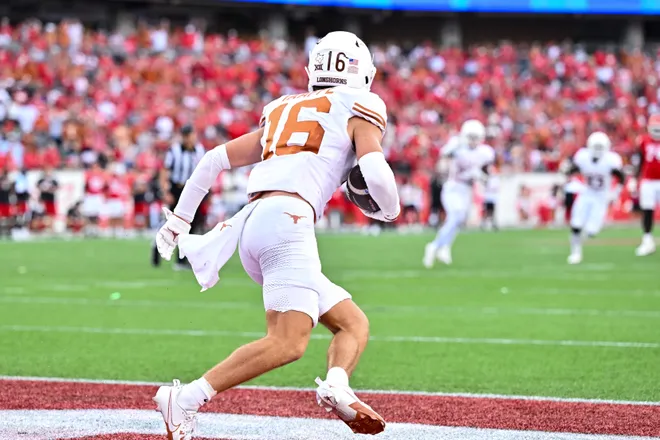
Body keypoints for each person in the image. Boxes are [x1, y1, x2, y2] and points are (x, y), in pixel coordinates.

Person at [153, 31, 400, 440]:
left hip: (254, 222)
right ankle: (187, 398)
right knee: (288, 343)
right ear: (364, 74)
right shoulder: (361, 104)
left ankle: (337, 385)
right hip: (288, 221)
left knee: (352, 323)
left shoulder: (283, 107)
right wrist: (390, 211)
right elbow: (374, 171)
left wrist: (178, 221)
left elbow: (213, 160)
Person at [423, 119, 495, 267]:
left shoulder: (485, 152)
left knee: (458, 219)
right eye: (471, 137)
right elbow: (443, 154)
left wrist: (482, 177)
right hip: (453, 187)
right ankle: (435, 246)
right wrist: (454, 145)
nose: (474, 141)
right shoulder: (457, 146)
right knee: (455, 216)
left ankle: (444, 247)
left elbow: (486, 171)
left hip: (467, 190)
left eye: (476, 137)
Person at [152, 125, 206, 269]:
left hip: (193, 190)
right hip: (177, 188)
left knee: (192, 225)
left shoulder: (200, 150)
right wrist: (165, 191)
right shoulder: (174, 150)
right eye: (189, 135)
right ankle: (156, 248)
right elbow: (164, 170)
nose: (192, 138)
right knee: (171, 223)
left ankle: (183, 259)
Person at [566, 132, 624, 264]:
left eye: (600, 147)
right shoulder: (583, 157)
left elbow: (621, 177)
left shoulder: (611, 160)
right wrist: (570, 178)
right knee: (576, 223)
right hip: (586, 193)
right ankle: (576, 252)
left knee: (592, 231)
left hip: (601, 197)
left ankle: (580, 241)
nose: (597, 151)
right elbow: (572, 170)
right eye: (595, 147)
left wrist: (615, 192)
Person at [635, 114, 660, 256]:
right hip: (648, 181)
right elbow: (641, 160)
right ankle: (647, 240)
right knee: (647, 211)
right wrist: (635, 178)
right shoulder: (644, 141)